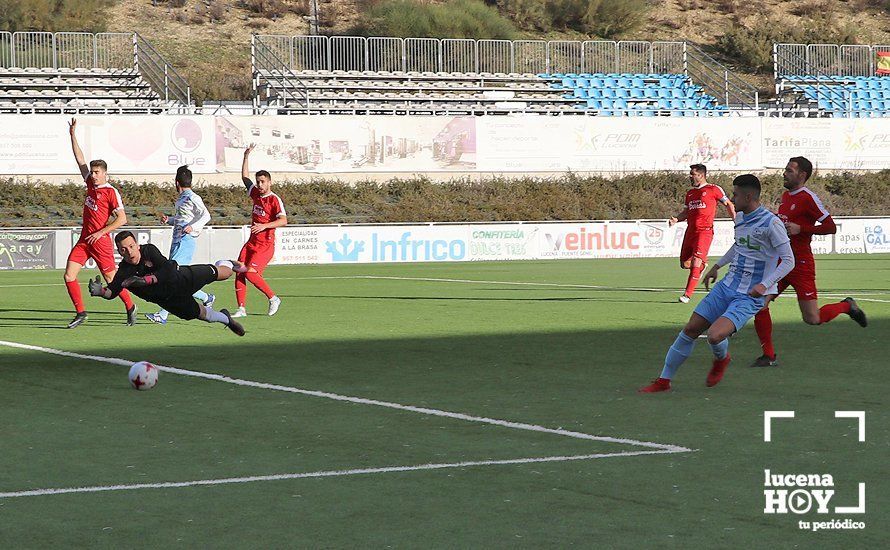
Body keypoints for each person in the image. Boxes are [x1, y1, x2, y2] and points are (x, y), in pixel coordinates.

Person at [639, 175, 794, 393]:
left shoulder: (771, 223)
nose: (731, 198)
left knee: (714, 335)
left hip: (751, 295)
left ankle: (722, 359)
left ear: (749, 196)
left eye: (736, 194)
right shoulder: (740, 217)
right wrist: (717, 266)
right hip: (727, 285)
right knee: (691, 328)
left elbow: (789, 260)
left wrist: (765, 285)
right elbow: (738, 245)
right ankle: (664, 381)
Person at [749, 156, 867, 367]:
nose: (784, 173)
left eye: (789, 170)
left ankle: (846, 306)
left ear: (802, 175)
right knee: (760, 304)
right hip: (781, 262)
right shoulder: (786, 196)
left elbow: (830, 227)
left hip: (801, 264)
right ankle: (768, 355)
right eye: (785, 169)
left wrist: (802, 229)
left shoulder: (808, 197)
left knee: (812, 318)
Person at [88, 231, 246, 336]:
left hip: (182, 278)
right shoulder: (124, 271)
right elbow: (112, 291)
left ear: (137, 244)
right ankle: (227, 319)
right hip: (172, 301)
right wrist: (100, 292)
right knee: (204, 315)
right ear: (119, 251)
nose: (129, 251)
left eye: (131, 246)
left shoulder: (148, 251)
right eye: (123, 249)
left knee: (222, 273)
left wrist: (145, 281)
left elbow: (167, 269)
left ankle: (227, 263)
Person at [63, 118, 136, 329]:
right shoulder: (90, 184)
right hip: (85, 240)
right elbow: (80, 159)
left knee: (112, 281)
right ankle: (80, 312)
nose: (93, 175)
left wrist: (101, 232)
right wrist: (72, 135)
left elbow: (122, 219)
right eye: (92, 172)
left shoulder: (111, 192)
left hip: (101, 242)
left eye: (97, 173)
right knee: (69, 275)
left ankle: (130, 307)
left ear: (105, 173)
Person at [145, 165, 215, 325]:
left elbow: (206, 215)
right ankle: (207, 297)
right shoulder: (181, 199)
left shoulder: (192, 197)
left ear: (176, 182)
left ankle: (162, 315)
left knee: (172, 278)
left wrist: (193, 227)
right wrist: (169, 220)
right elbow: (182, 219)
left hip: (186, 241)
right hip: (176, 241)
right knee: (179, 279)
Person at [231, 144, 287, 318]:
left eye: (263, 181)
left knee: (248, 272)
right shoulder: (255, 194)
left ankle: (273, 298)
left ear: (269, 182)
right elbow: (244, 177)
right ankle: (241, 308)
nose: (260, 184)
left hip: (265, 245)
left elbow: (284, 220)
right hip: (252, 242)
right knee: (239, 269)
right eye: (258, 182)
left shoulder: (274, 200)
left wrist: (264, 226)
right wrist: (246, 156)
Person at [669, 164, 736, 304]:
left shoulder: (713, 189)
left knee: (695, 262)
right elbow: (686, 212)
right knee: (685, 264)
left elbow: (728, 204)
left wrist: (736, 220)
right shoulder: (690, 193)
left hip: (705, 231)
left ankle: (687, 294)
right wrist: (676, 219)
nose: (690, 176)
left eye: (692, 174)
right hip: (690, 231)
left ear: (701, 175)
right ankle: (702, 266)